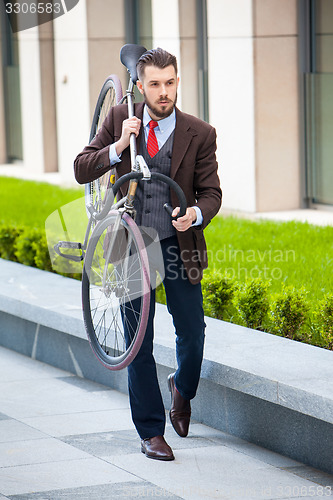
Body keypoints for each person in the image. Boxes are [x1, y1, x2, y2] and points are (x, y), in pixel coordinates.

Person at [74, 47, 222, 461]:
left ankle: (183, 388)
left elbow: (212, 194)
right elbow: (82, 167)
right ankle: (151, 432)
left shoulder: (200, 132)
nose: (163, 92)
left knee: (192, 333)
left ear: (178, 82)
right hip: (130, 245)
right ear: (140, 86)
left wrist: (194, 213)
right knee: (139, 342)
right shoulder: (122, 119)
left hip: (178, 245)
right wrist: (118, 146)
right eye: (155, 84)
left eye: (170, 83)